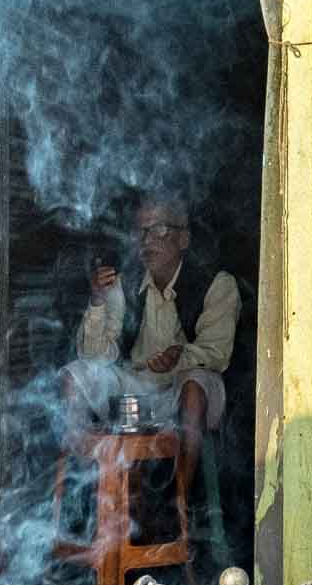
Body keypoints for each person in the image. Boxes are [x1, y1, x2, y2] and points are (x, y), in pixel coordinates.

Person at [62, 195, 241, 492]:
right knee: (74, 375)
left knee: (195, 386)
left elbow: (217, 352)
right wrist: (96, 302)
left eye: (158, 230)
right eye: (140, 231)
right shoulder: (125, 283)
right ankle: (90, 491)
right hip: (135, 392)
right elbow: (95, 355)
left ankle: (179, 503)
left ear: (183, 239)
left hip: (181, 390)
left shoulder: (216, 284)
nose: (147, 240)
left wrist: (179, 356)